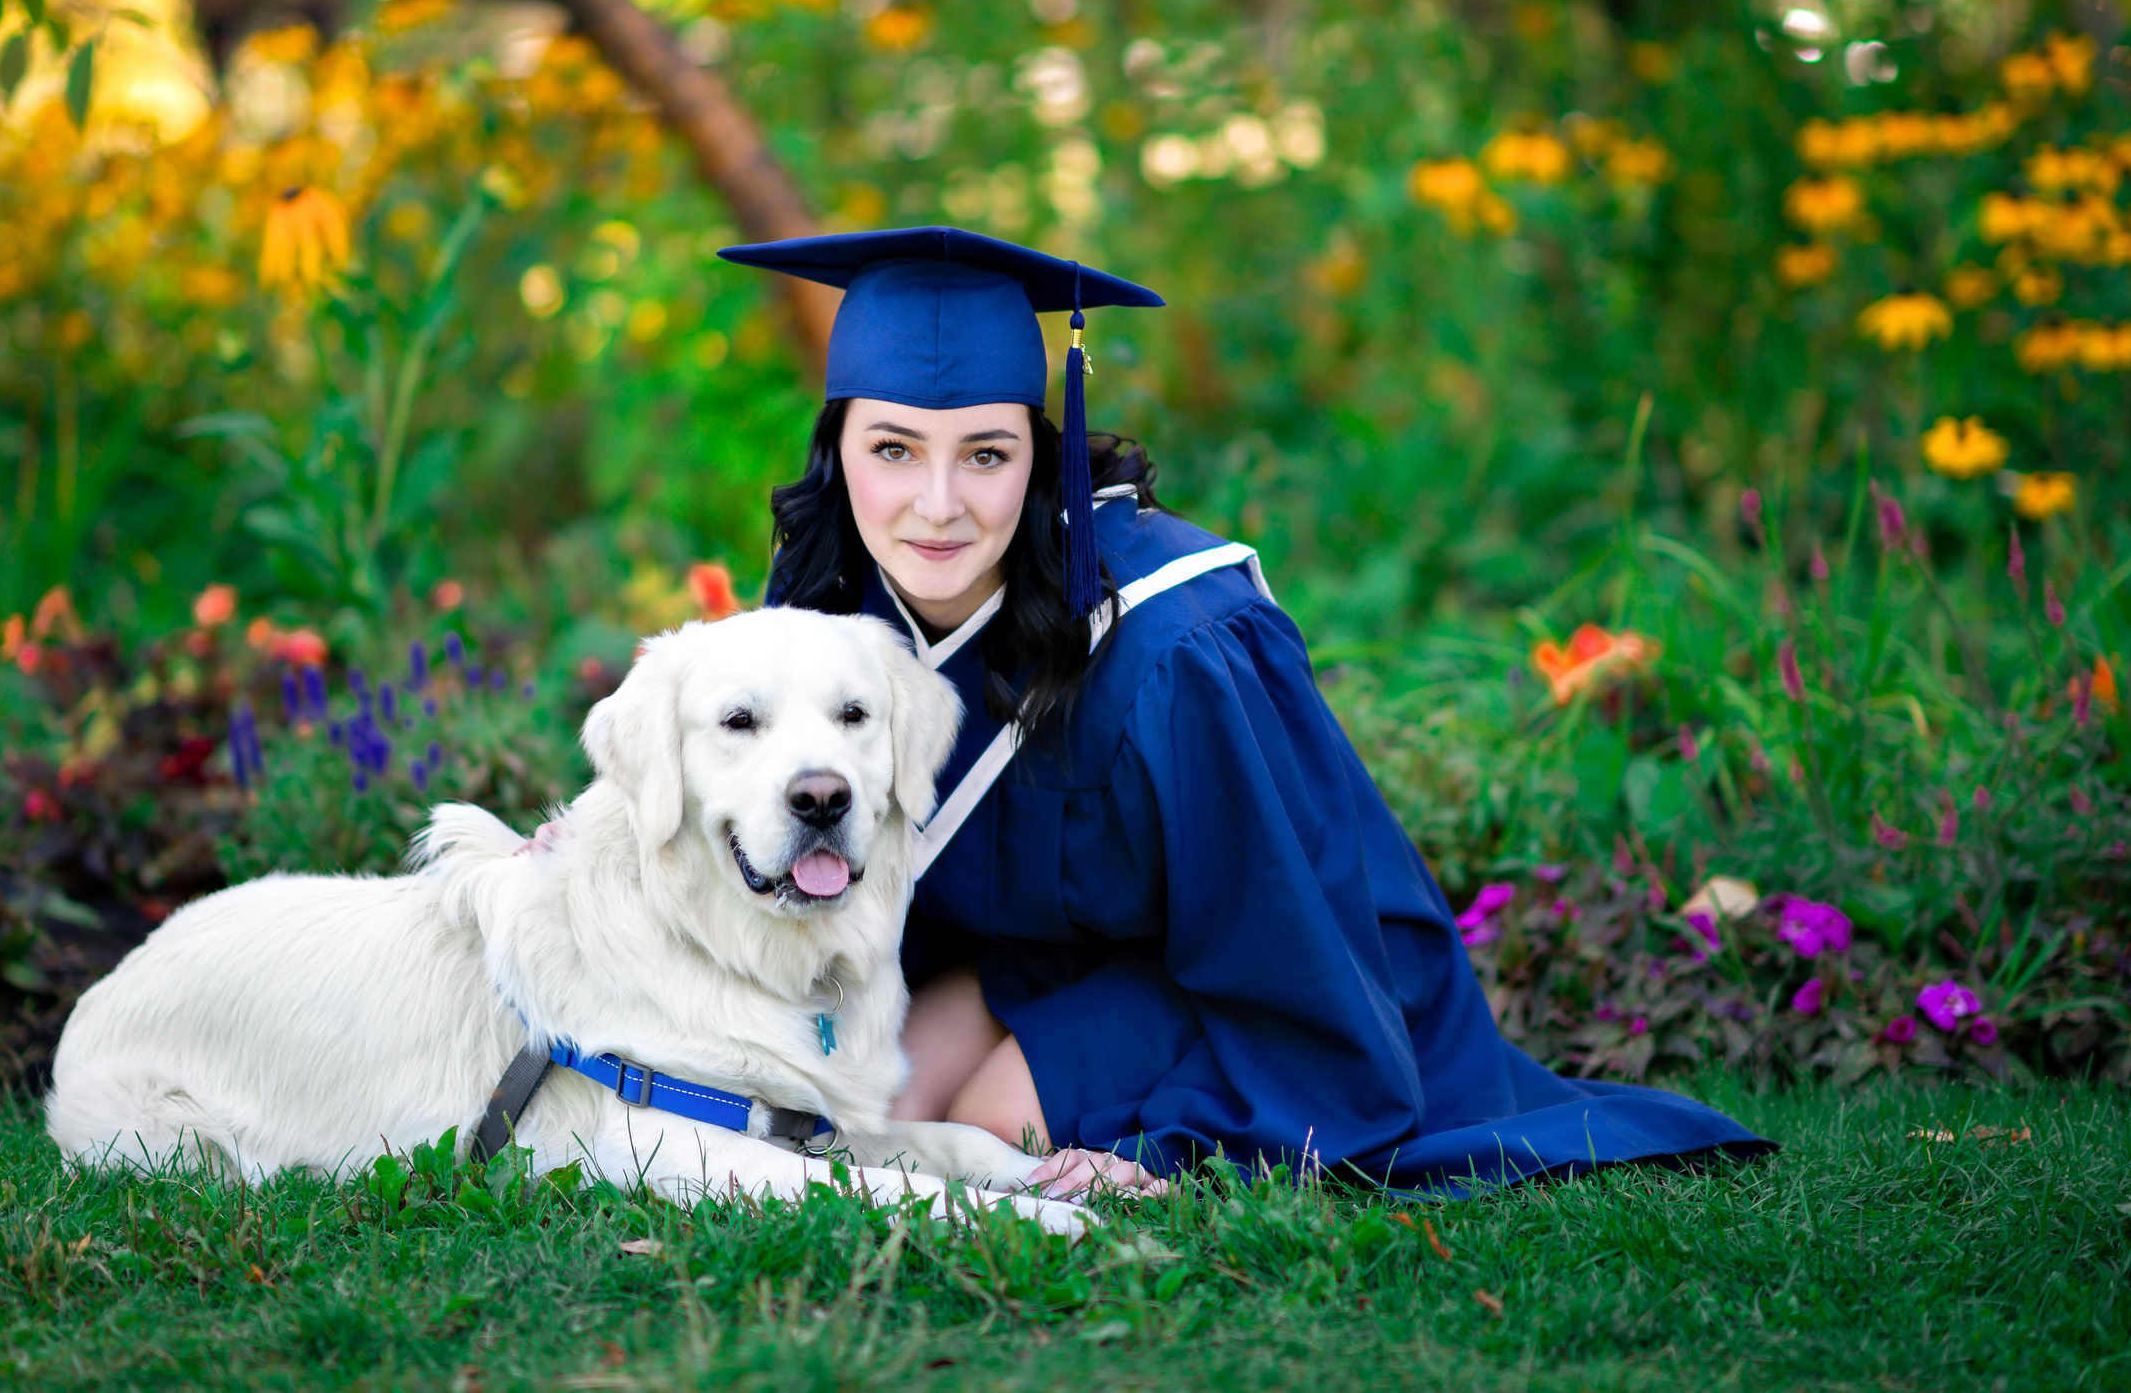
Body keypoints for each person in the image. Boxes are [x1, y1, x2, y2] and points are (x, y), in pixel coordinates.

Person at [721, 226, 1771, 1198]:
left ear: (1038, 449)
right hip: (1035, 962)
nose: (938, 504)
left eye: (986, 452)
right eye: (892, 449)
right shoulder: (823, 610)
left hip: (1253, 964)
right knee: (867, 1113)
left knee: (995, 1126)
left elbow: (1281, 903)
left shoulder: (1175, 635)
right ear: (837, 444)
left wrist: (1162, 1147)